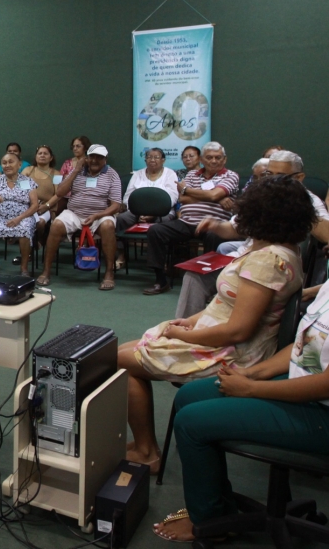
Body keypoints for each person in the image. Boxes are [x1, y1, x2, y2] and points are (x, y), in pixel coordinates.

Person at [118, 176, 312, 474]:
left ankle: (147, 452)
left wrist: (185, 333)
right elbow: (228, 303)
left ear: (259, 214)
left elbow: (238, 330)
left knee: (117, 361)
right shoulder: (279, 248)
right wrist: (192, 321)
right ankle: (144, 446)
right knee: (123, 351)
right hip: (219, 337)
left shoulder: (268, 260)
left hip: (232, 352)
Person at [152, 281, 329, 542]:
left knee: (191, 423)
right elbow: (302, 346)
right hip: (300, 383)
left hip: (323, 414)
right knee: (189, 397)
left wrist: (251, 389)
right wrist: (252, 374)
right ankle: (220, 508)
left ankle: (209, 521)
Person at [173, 151, 329, 319]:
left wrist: (301, 209)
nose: (272, 181)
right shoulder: (261, 196)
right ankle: (186, 324)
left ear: (298, 178)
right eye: (269, 175)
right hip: (243, 257)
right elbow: (234, 229)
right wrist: (216, 226)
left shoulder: (308, 201)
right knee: (194, 277)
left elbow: (326, 233)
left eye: (281, 176)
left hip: (272, 265)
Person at [143, 142, 240, 296]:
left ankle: (208, 285)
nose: (214, 161)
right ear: (202, 159)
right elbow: (183, 199)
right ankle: (160, 280)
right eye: (209, 157)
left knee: (214, 236)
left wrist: (192, 191)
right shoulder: (192, 175)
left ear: (224, 160)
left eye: (218, 157)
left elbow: (208, 194)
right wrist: (217, 198)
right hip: (186, 222)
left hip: (214, 224)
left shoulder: (231, 175)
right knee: (156, 230)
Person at [36, 144, 121, 289]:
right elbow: (61, 192)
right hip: (74, 213)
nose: (94, 160)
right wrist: (76, 170)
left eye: (99, 158)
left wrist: (97, 215)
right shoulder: (77, 172)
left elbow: (116, 205)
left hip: (100, 214)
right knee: (56, 224)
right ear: (86, 158)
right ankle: (46, 271)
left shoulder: (112, 174)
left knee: (108, 226)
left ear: (105, 159)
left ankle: (109, 273)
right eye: (92, 157)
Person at [0, 153, 39, 276]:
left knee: (25, 229)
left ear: (19, 164)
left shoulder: (28, 181)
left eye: (11, 162)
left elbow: (35, 205)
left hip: (22, 217)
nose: (7, 165)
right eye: (4, 162)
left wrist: (19, 218)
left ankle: (24, 268)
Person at [115, 147, 179, 233]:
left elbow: (173, 197)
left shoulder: (170, 174)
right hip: (136, 212)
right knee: (122, 219)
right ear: (145, 160)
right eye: (149, 157)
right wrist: (139, 212)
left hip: (163, 212)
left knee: (165, 222)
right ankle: (122, 246)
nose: (152, 160)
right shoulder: (137, 174)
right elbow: (128, 197)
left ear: (163, 160)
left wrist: (154, 213)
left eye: (156, 157)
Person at [24, 145, 60, 246]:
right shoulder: (27, 171)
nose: (42, 155)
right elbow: (22, 190)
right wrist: (32, 205)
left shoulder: (56, 174)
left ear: (51, 157)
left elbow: (58, 194)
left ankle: (38, 240)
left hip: (46, 208)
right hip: (28, 206)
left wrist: (46, 206)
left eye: (45, 153)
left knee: (40, 223)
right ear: (36, 157)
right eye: (40, 153)